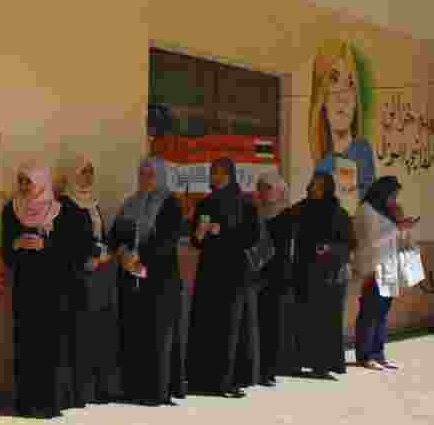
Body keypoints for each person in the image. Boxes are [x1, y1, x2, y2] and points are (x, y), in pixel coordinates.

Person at [111, 156, 186, 406]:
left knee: (157, 336)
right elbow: (115, 235)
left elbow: (168, 239)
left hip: (159, 280)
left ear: (161, 176)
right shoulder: (130, 203)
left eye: (150, 174)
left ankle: (156, 391)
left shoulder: (171, 204)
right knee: (134, 333)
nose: (145, 179)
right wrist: (122, 252)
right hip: (131, 281)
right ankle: (133, 388)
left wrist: (141, 257)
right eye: (141, 174)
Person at [186, 157, 261, 399]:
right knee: (206, 323)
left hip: (234, 274)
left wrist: (224, 232)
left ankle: (227, 381)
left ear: (230, 174)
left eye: (220, 172)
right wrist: (200, 233)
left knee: (230, 326)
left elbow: (252, 237)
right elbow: (196, 241)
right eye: (213, 172)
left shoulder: (244, 203)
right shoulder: (205, 203)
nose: (216, 177)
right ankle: (201, 378)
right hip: (209, 271)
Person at [2, 162, 71, 418]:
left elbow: (68, 252)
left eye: (27, 182)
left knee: (48, 345)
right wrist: (17, 243)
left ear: (41, 182)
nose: (23, 187)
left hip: (50, 289)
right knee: (25, 343)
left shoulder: (59, 211)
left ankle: (48, 403)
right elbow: (6, 251)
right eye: (20, 181)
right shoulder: (12, 209)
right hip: (24, 286)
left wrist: (45, 246)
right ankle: (26, 402)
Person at [55, 154, 119, 406]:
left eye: (91, 172)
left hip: (97, 278)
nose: (88, 177)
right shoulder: (65, 204)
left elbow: (98, 235)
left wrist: (103, 251)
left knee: (95, 335)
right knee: (76, 336)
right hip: (75, 278)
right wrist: (91, 254)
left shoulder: (92, 202)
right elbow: (68, 241)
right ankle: (74, 393)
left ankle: (94, 390)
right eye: (84, 172)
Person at [290, 172, 352, 380]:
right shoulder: (302, 209)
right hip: (303, 273)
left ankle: (322, 364)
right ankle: (298, 361)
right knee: (302, 319)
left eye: (317, 186)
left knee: (325, 322)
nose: (311, 188)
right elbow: (283, 222)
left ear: (327, 188)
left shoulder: (338, 214)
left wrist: (329, 248)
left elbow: (349, 244)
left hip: (329, 277)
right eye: (311, 185)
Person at [353, 176, 416, 371]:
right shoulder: (366, 210)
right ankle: (365, 356)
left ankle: (379, 354)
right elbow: (370, 241)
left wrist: (403, 227)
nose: (394, 200)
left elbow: (396, 239)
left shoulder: (386, 212)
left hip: (389, 266)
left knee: (381, 315)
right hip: (373, 268)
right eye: (392, 195)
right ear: (382, 192)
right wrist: (397, 228)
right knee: (370, 313)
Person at [310, 39, 376, 214]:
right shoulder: (323, 165)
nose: (343, 97)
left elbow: (367, 201)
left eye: (350, 84)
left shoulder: (362, 150)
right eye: (334, 80)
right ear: (322, 97)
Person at [254, 171, 296, 385]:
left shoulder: (286, 214)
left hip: (276, 275)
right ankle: (254, 369)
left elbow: (283, 248)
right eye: (260, 187)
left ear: (279, 190)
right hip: (255, 275)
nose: (263, 192)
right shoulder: (255, 212)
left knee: (272, 324)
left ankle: (268, 371)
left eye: (268, 188)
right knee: (256, 324)